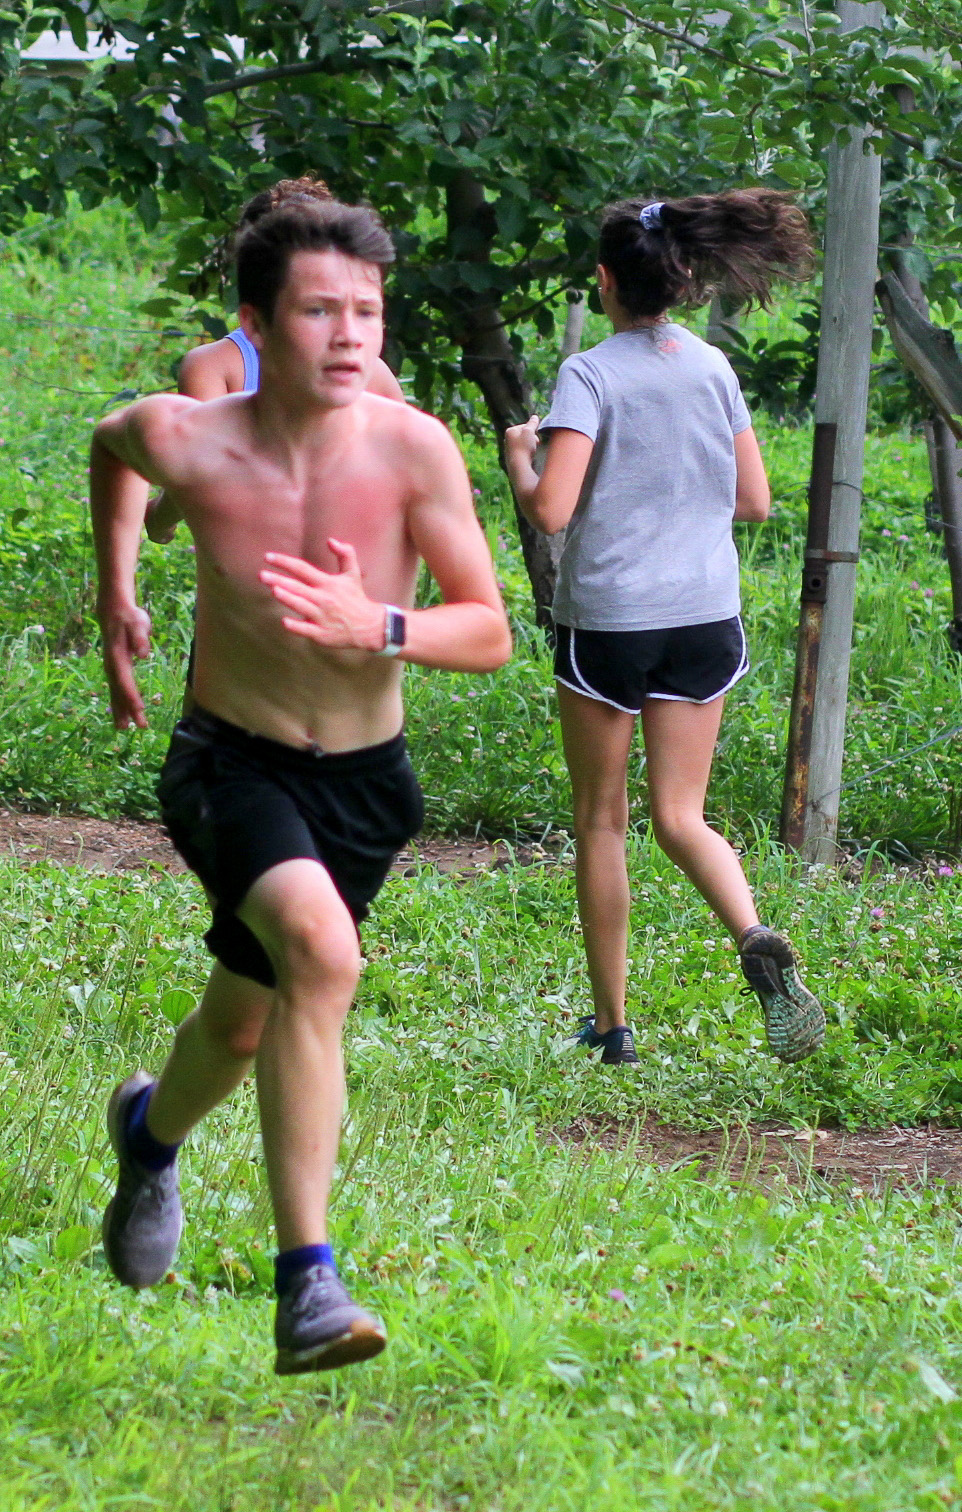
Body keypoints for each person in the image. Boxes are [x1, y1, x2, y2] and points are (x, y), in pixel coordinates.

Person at [90, 196, 513, 1374]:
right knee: (322, 956)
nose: (350, 336)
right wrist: (118, 591)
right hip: (230, 763)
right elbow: (113, 446)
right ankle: (308, 1286)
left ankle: (147, 1137)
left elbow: (488, 630)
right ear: (257, 323)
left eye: (367, 312)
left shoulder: (415, 449)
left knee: (243, 1020)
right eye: (321, 311)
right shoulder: (190, 437)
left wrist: (380, 624)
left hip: (365, 784)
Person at [501, 190, 823, 1068]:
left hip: (611, 623)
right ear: (682, 278)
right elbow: (754, 501)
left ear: (605, 281)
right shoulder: (712, 367)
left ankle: (613, 1027)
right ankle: (751, 931)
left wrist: (520, 460)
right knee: (681, 816)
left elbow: (551, 510)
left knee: (601, 821)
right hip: (702, 617)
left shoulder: (589, 374)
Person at [143, 177, 405, 550]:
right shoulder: (215, 367)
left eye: (366, 312)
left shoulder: (368, 369)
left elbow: (403, 472)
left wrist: (159, 518)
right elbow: (200, 473)